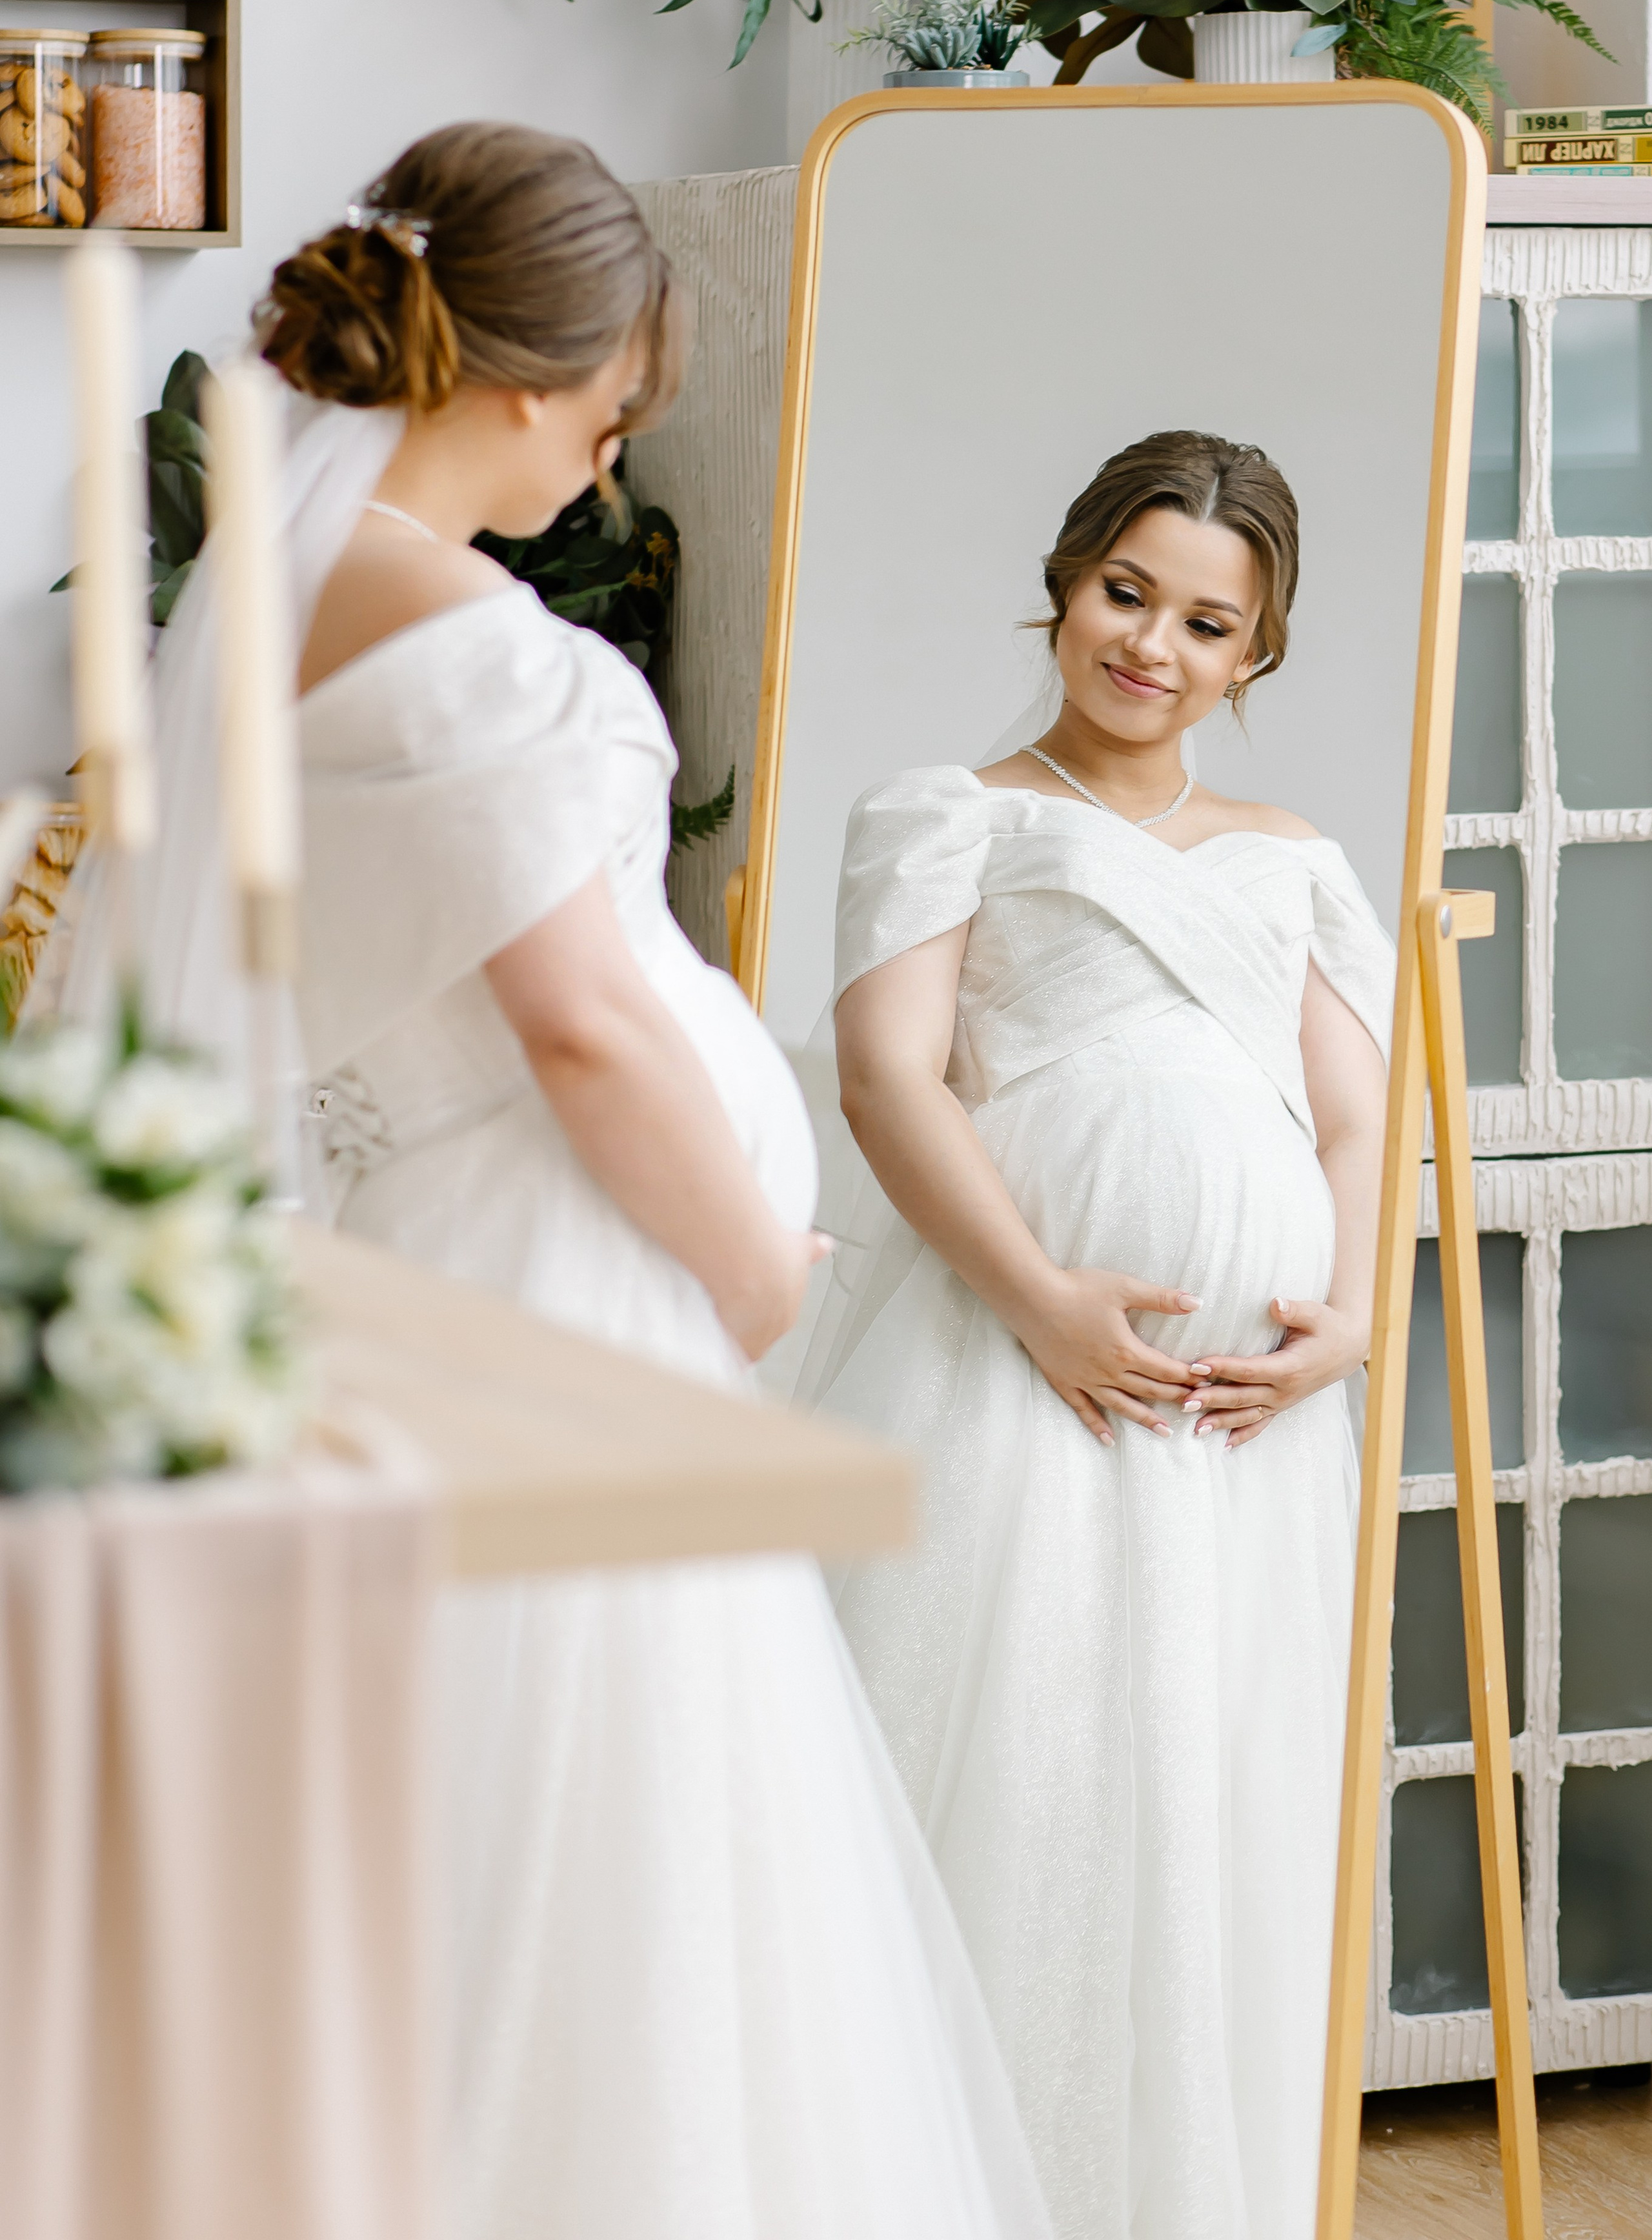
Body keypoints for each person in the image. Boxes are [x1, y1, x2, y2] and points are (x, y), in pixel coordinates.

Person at [68, 125, 1053, 2240]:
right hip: (549, 1307)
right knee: (609, 1855)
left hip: (379, 1275)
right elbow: (586, 1022)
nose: (604, 478)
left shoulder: (255, 614)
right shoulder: (506, 663)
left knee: (410, 1816)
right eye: (611, 422)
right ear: (529, 382)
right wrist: (752, 1267)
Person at [812, 433, 1395, 2240]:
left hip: (1245, 1424)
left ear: (1256, 655)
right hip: (1016, 1370)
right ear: (1066, 580)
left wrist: (1352, 1318)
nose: (1154, 644)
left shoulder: (1293, 859)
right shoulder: (954, 813)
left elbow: (1363, 1117)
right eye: (1126, 592)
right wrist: (1039, 1298)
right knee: (1023, 1775)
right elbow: (890, 1074)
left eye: (1208, 622)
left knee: (1210, 1794)